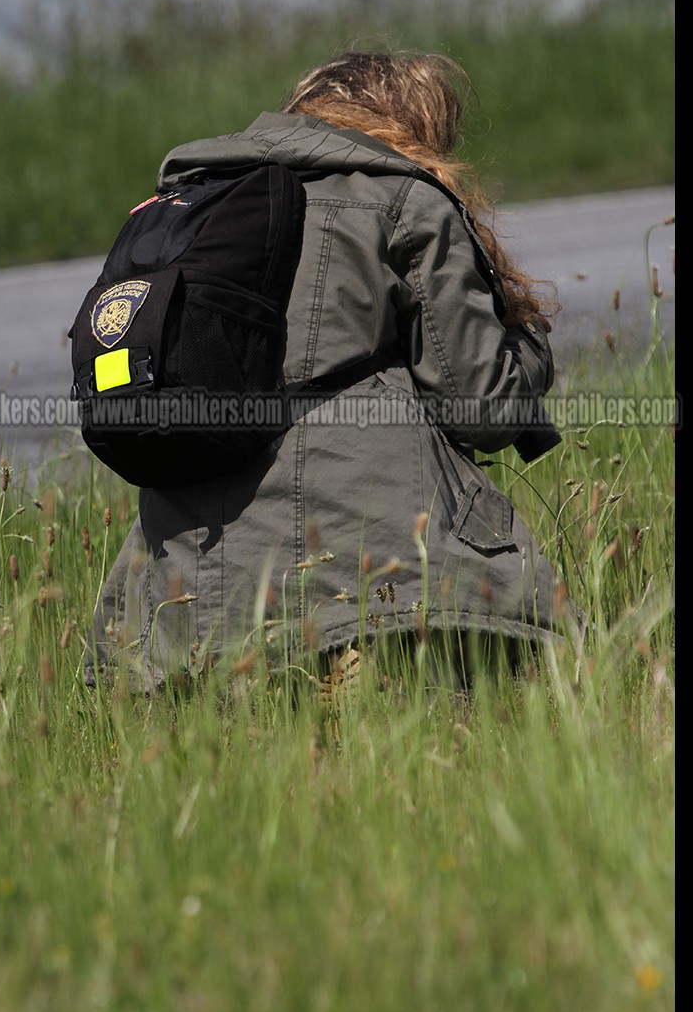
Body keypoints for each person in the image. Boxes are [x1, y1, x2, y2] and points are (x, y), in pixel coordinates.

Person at [84, 49, 571, 696]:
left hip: (186, 591)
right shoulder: (403, 200)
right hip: (372, 571)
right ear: (413, 128)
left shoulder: (188, 206)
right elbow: (484, 409)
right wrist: (531, 341)